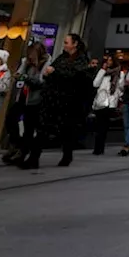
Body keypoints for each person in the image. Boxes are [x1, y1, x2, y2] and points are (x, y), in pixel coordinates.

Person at [23, 33, 92, 169]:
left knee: (66, 130)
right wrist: (49, 73)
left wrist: (55, 72)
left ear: (75, 44)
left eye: (67, 42)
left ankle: (67, 155)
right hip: (52, 99)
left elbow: (74, 76)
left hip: (68, 102)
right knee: (43, 129)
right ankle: (34, 158)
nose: (64, 45)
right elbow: (51, 72)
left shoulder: (81, 59)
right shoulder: (62, 57)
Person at [3, 43, 48, 166]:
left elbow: (41, 81)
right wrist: (21, 75)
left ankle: (23, 152)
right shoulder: (26, 62)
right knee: (11, 119)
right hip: (22, 96)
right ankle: (16, 144)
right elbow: (19, 74)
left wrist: (26, 78)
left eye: (32, 54)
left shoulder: (45, 63)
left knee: (29, 127)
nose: (30, 56)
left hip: (34, 99)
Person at [90, 55, 122, 156]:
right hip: (101, 101)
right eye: (107, 60)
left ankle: (100, 148)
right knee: (98, 126)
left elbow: (121, 88)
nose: (108, 62)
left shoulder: (119, 73)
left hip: (111, 102)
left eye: (110, 60)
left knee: (104, 127)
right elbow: (95, 84)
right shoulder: (102, 72)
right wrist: (102, 71)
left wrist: (116, 94)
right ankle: (97, 148)